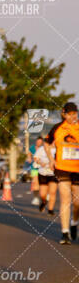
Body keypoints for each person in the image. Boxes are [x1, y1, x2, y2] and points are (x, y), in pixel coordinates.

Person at [44, 102, 79, 245]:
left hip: (77, 169)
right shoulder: (57, 128)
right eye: (69, 114)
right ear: (63, 114)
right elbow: (47, 144)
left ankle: (74, 221)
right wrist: (51, 159)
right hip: (62, 168)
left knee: (77, 202)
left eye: (74, 114)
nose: (72, 116)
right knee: (65, 199)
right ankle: (65, 232)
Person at [33, 137, 57, 214]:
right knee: (43, 194)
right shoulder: (41, 149)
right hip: (42, 173)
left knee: (52, 192)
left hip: (53, 173)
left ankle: (50, 210)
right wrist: (40, 162)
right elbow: (35, 158)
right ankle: (44, 202)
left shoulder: (57, 149)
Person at [28, 137, 42, 205]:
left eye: (40, 142)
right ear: (36, 141)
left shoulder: (43, 148)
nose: (39, 143)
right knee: (35, 183)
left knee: (42, 184)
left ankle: (45, 195)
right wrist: (29, 159)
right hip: (34, 167)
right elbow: (29, 154)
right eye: (38, 142)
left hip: (42, 168)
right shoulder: (32, 148)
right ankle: (36, 198)